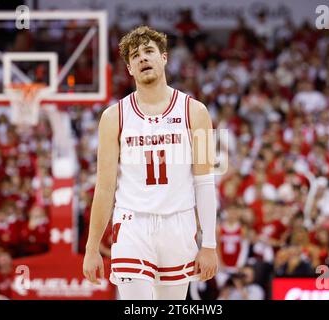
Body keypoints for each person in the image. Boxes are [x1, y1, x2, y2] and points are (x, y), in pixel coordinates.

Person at [83, 26, 218, 300]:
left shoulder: (195, 111)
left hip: (178, 223)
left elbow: (204, 182)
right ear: (130, 69)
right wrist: (91, 247)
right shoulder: (113, 117)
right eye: (135, 56)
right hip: (132, 223)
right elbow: (105, 187)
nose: (142, 58)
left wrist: (210, 244)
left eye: (148, 51)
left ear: (164, 58)